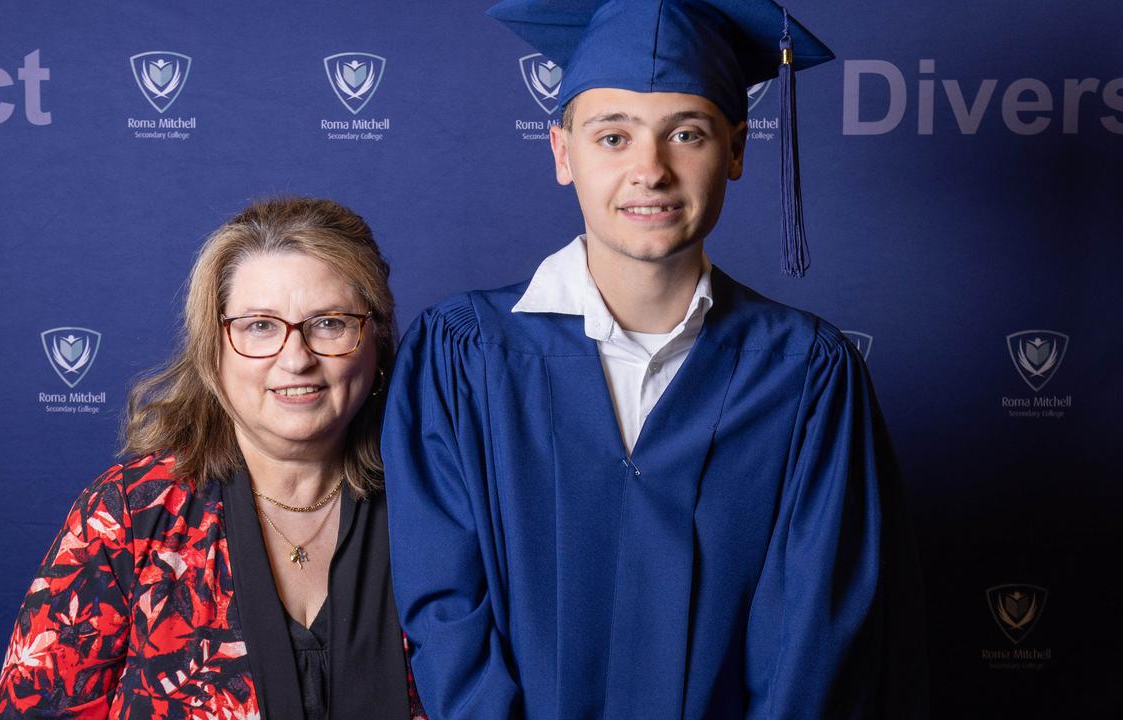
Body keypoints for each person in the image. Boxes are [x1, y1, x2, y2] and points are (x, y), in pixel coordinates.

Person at [382, 1, 927, 718]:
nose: (651, 169)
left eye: (687, 134)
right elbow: (446, 609)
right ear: (561, 152)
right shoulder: (463, 358)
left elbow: (814, 636)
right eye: (613, 136)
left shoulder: (805, 374)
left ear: (735, 150)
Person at [0, 197, 425, 719]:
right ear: (211, 347)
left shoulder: (438, 507)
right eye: (260, 326)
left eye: (329, 323)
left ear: (374, 340)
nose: (296, 359)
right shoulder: (128, 515)